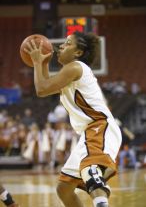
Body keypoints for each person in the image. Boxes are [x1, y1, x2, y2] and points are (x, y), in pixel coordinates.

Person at [24, 31, 122, 207]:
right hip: (89, 132)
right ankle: (98, 185)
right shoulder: (70, 72)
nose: (61, 45)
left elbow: (41, 89)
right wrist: (44, 63)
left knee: (90, 171)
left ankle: (99, 192)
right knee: (64, 188)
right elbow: (45, 85)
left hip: (99, 126)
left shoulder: (75, 67)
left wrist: (37, 62)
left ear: (78, 53)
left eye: (68, 43)